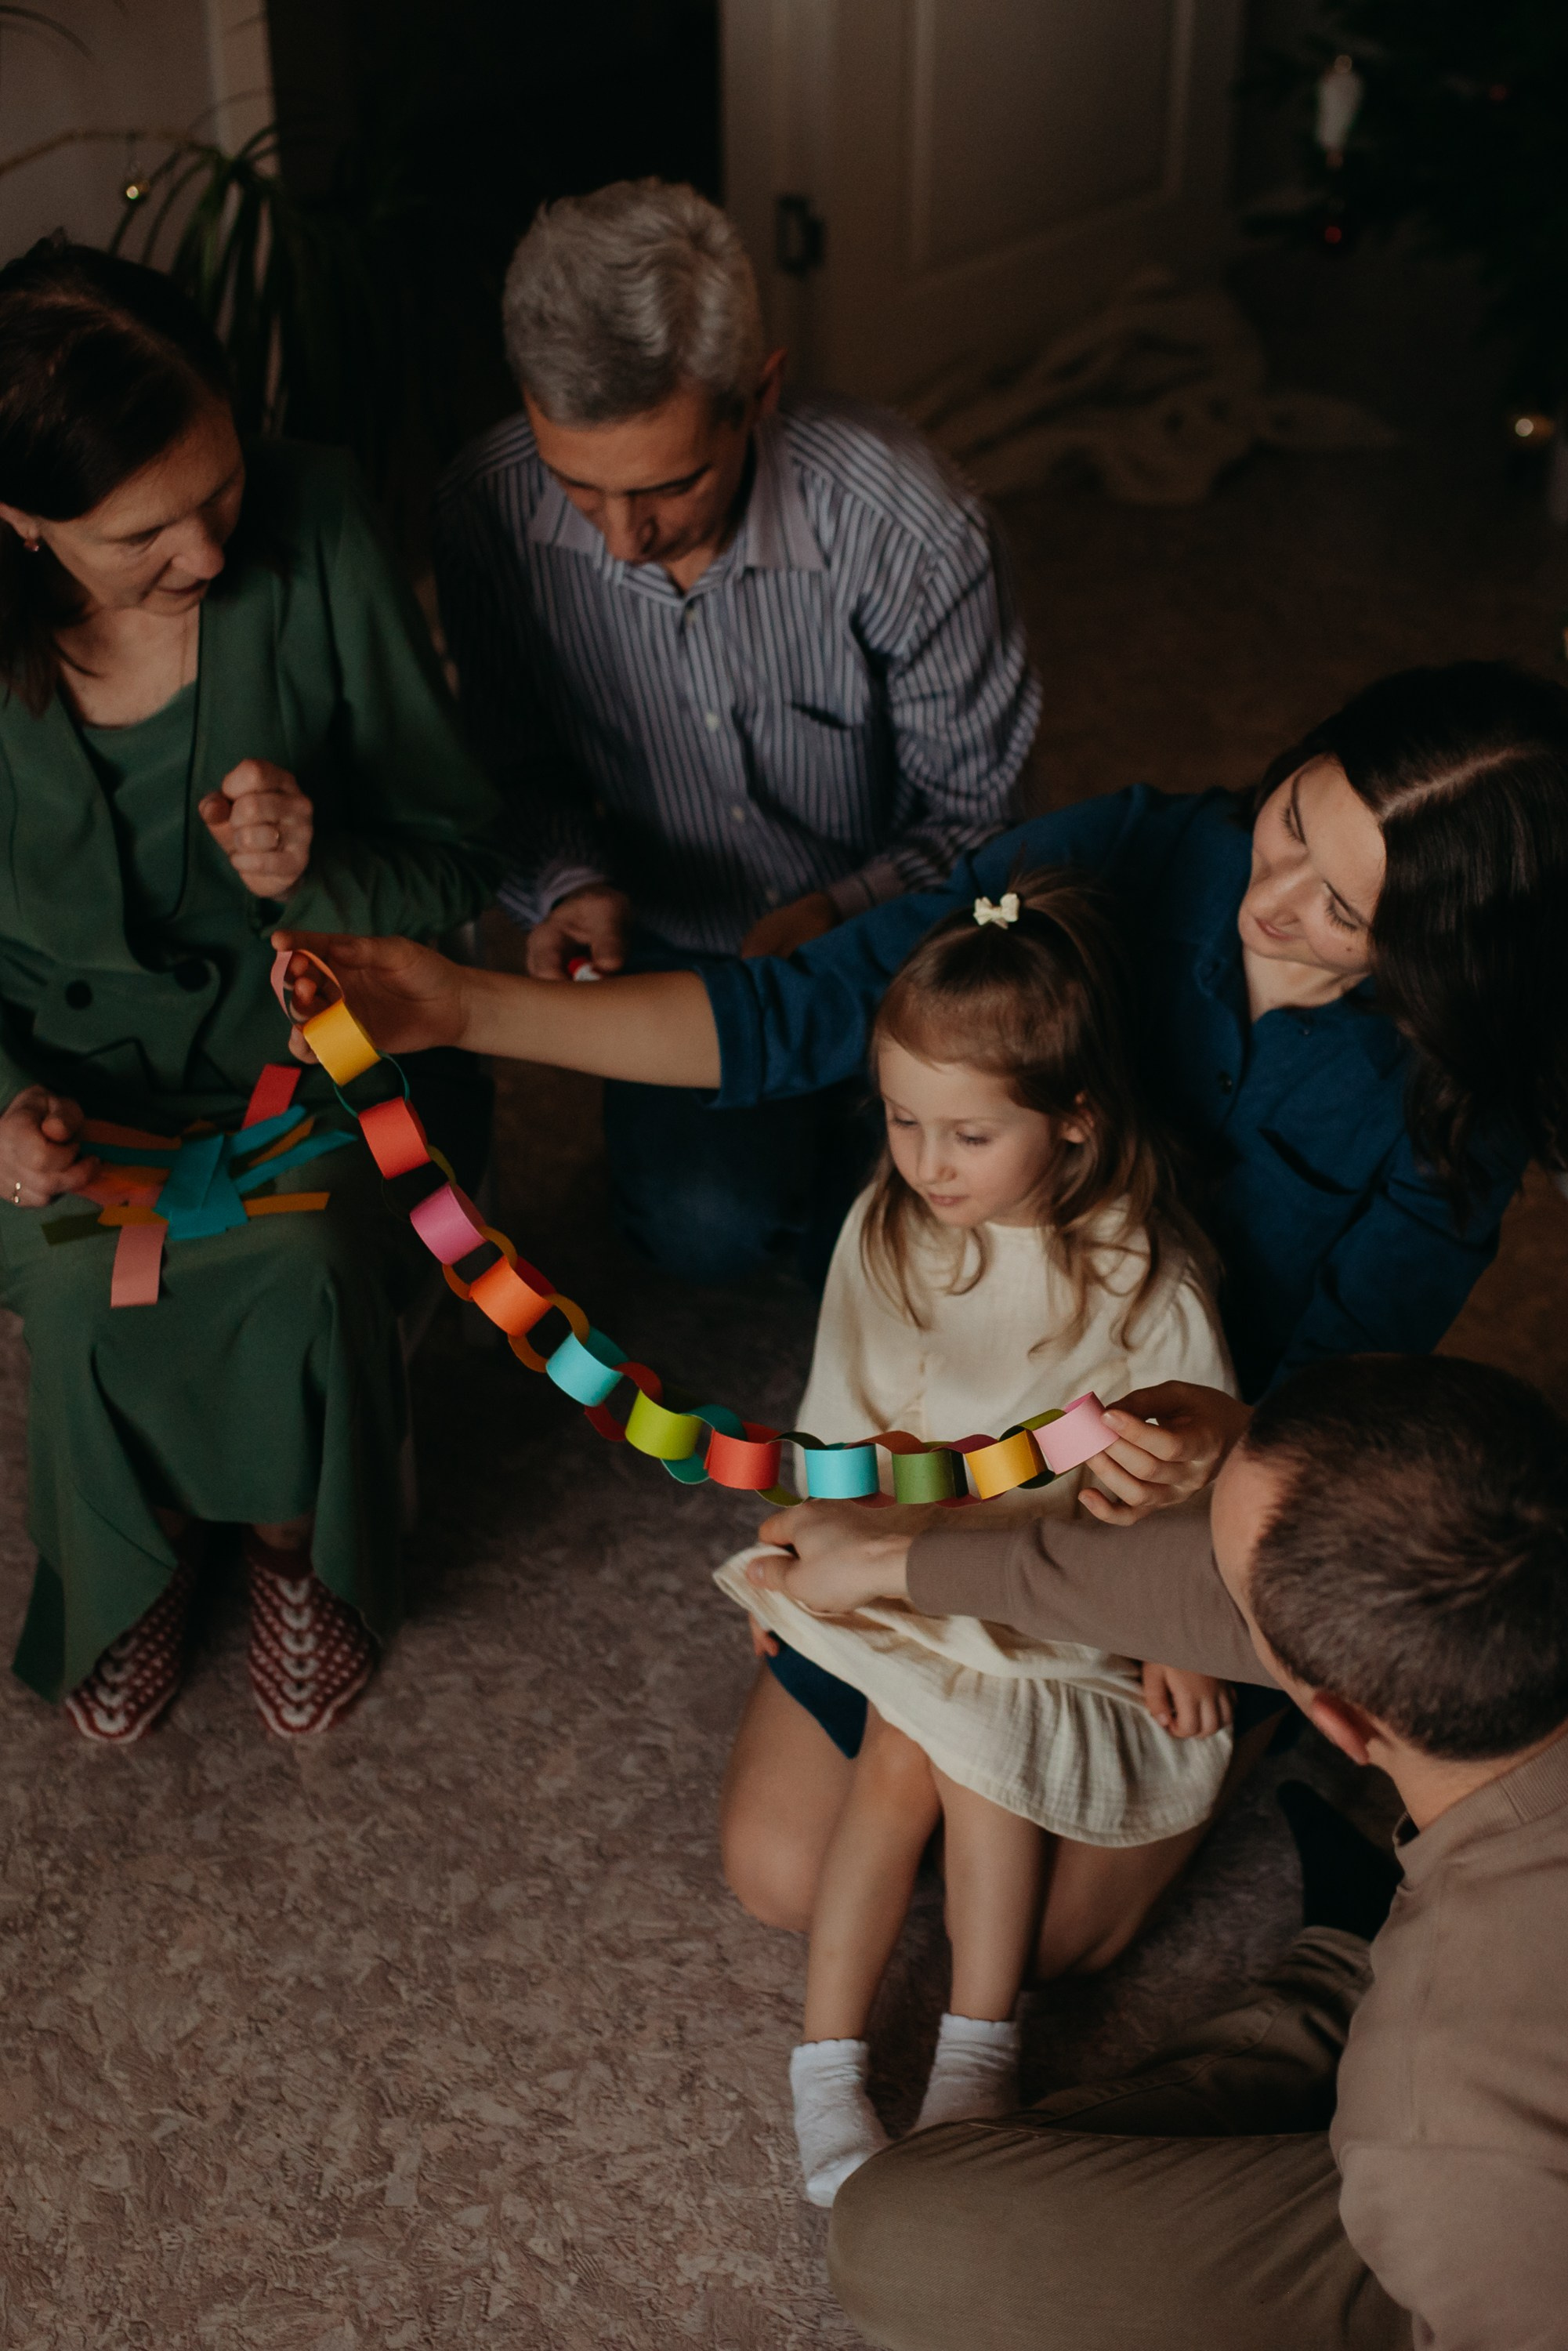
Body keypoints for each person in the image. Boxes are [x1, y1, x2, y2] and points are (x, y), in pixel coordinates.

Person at [272, 657, 1568, 1913]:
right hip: (973, 1430)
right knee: (785, 1871)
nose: (1272, 900)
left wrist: (1222, 1474)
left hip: (1201, 1502)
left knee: (1047, 1934)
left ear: (1444, 955)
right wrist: (462, 1008)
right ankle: (923, 1611)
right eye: (1289, 823)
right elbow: (799, 1009)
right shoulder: (1140, 851)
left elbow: (1342, 1387)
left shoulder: (1455, 1099)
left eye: (1344, 909)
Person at [740, 1353, 1568, 2351]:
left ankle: (1332, 1979)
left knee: (908, 2232)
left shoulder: (1445, 2139)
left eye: (1227, 1587)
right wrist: (895, 1561)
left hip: (1476, 2251)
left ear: (1338, 1723)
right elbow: (1225, 1602)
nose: (1206, 1595)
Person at [0, 240, 501, 1742]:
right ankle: (134, 1554)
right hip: (63, 1092)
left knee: (303, 1273)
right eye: (144, 532)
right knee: (86, 1292)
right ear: (20, 521)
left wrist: (317, 869)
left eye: (219, 490)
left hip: (325, 1067)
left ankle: (294, 1544)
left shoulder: (323, 516)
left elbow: (459, 862)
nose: (210, 554)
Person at [708, 871, 1236, 2206]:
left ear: (1072, 1121)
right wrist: (812, 1530)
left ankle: (969, 2064)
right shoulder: (885, 1236)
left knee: (968, 1742)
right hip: (902, 1562)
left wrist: (1172, 1623)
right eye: (901, 1122)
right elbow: (842, 1438)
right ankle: (830, 2074)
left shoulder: (1141, 1277)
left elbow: (1185, 1486)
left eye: (967, 1135)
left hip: (1050, 1598)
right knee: (909, 1742)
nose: (928, 1165)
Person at [433, 177, 1040, 1283]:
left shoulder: (911, 525)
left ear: (759, 392)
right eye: (578, 489)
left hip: (899, 921)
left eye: (667, 486)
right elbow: (513, 765)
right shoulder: (484, 509)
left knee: (965, 1200)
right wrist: (571, 885)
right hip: (676, 941)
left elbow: (979, 820)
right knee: (699, 1230)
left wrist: (835, 913)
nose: (620, 542)